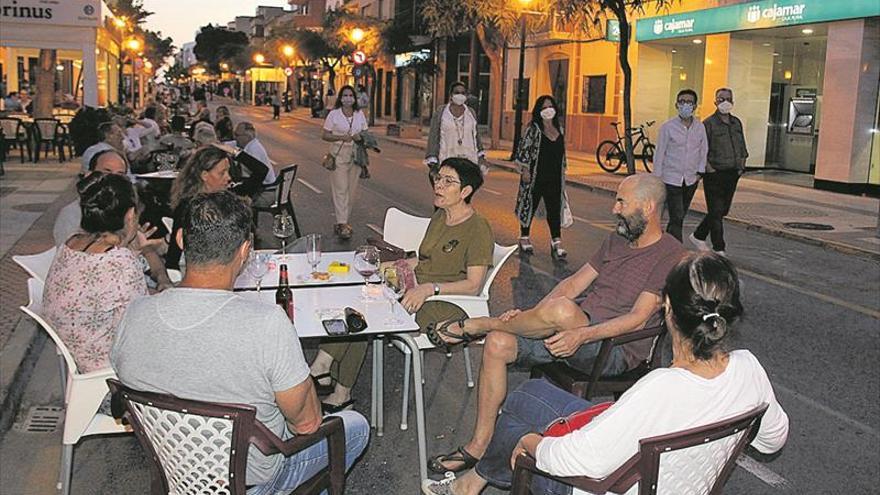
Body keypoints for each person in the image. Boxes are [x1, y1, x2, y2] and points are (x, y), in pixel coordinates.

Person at [422, 252, 789, 495]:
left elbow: (576, 462)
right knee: (524, 396)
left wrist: (531, 445)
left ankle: (470, 484)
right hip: (676, 479)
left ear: (668, 311)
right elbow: (772, 440)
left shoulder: (660, 389)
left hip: (603, 487)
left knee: (518, 431)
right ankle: (473, 482)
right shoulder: (748, 367)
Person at [426, 174, 685, 474]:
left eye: (621, 202)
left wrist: (582, 336)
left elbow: (638, 318)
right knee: (499, 343)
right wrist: (532, 315)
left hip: (613, 349)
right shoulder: (616, 240)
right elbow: (573, 284)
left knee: (560, 312)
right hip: (571, 328)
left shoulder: (670, 254)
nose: (614, 209)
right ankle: (479, 445)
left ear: (648, 207)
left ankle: (481, 324)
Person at [111, 191, 369, 492]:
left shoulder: (134, 313)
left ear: (181, 239)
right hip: (250, 479)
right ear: (246, 250)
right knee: (354, 427)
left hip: (176, 469)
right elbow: (307, 424)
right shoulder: (268, 324)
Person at [310, 158, 494, 413]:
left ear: (465, 192)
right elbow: (425, 258)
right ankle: (330, 375)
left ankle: (329, 376)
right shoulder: (441, 216)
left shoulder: (478, 228)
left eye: (447, 181)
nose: (438, 185)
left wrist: (430, 288)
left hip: (447, 302)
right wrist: (402, 265)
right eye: (438, 178)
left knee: (369, 311)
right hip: (416, 289)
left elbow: (474, 285)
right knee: (359, 294)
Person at [43, 173, 150, 373]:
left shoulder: (72, 242)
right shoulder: (121, 263)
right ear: (130, 215)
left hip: (77, 353)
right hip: (107, 370)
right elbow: (137, 330)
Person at [54, 149, 173, 291]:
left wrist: (162, 278)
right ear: (89, 175)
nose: (114, 180)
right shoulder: (73, 216)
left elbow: (146, 250)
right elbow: (84, 269)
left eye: (120, 175)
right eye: (107, 172)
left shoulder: (118, 211)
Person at [166, 145, 268, 269]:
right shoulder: (188, 208)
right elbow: (173, 255)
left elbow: (261, 171)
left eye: (228, 171)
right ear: (204, 175)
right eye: (222, 173)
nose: (229, 177)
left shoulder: (233, 195)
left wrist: (233, 151)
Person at [690, 88, 748, 256]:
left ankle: (698, 235)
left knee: (722, 210)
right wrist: (709, 169)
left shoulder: (736, 122)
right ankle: (719, 247)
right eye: (721, 98)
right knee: (716, 210)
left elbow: (742, 145)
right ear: (715, 101)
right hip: (714, 173)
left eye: (728, 98)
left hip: (732, 172)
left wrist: (741, 166)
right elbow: (701, 148)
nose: (725, 102)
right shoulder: (709, 123)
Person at [514, 95, 571, 260]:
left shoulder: (559, 128)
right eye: (544, 107)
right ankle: (524, 236)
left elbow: (562, 152)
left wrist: (563, 170)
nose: (548, 110)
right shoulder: (533, 128)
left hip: (554, 176)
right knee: (529, 205)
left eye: (550, 106)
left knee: (554, 208)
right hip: (535, 175)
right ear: (539, 111)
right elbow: (523, 148)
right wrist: (524, 169)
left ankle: (556, 241)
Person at [652, 89, 708, 242]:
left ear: (695, 106)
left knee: (680, 215)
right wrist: (657, 177)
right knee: (676, 215)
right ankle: (677, 249)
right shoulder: (668, 127)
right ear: (676, 104)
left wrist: (700, 172)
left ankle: (667, 244)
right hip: (671, 178)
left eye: (689, 102)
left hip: (690, 178)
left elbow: (704, 150)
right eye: (682, 101)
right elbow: (660, 152)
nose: (685, 105)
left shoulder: (700, 127)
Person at [322, 85, 368, 240]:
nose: (348, 98)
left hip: (355, 155)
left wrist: (359, 138)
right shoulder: (334, 115)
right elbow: (325, 135)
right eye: (345, 95)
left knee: (351, 190)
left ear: (354, 98)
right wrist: (341, 137)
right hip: (338, 153)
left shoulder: (359, 114)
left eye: (350, 95)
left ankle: (344, 222)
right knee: (340, 189)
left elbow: (364, 133)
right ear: (340, 98)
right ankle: (342, 223)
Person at [425, 82, 488, 177]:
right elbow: (433, 137)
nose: (460, 95)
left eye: (463, 93)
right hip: (447, 161)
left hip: (469, 161)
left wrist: (481, 157)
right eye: (457, 92)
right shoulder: (441, 112)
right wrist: (433, 162)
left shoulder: (471, 113)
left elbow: (476, 137)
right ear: (451, 95)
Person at [233, 121, 276, 186]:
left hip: (264, 190)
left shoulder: (253, 150)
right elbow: (231, 144)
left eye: (237, 135)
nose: (235, 138)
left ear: (247, 136)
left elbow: (257, 177)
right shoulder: (251, 144)